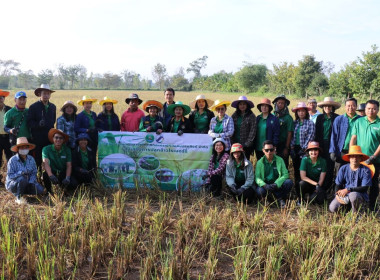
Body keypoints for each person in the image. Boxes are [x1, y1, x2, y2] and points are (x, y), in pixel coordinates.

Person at [350, 100, 380, 211]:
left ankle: (372, 206)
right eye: (368, 108)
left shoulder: (379, 123)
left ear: (377, 110)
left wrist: (373, 156)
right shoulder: (359, 122)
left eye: (373, 108)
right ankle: (356, 205)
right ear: (365, 109)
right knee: (357, 181)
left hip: (374, 160)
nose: (371, 111)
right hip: (359, 159)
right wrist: (351, 154)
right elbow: (353, 138)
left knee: (373, 183)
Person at [329, 145, 373, 213]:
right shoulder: (343, 168)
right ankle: (346, 210)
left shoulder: (365, 170)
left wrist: (348, 189)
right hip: (345, 195)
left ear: (361, 158)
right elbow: (338, 184)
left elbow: (364, 187)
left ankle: (357, 214)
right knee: (332, 207)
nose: (354, 158)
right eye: (352, 156)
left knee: (353, 195)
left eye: (357, 156)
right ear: (349, 158)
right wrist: (337, 195)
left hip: (359, 195)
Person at [5, 137, 44, 204]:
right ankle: (19, 197)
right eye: (22, 147)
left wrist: (31, 182)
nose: (24, 149)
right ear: (18, 149)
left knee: (40, 190)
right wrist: (21, 173)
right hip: (14, 184)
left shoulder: (31, 159)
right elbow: (10, 175)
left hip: (28, 182)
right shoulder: (12, 160)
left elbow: (34, 172)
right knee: (22, 179)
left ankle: (24, 191)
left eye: (26, 147)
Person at [255, 140, 293, 208]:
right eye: (267, 150)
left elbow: (285, 174)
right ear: (263, 150)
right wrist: (264, 185)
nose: (269, 152)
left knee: (289, 182)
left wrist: (276, 184)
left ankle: (276, 198)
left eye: (271, 150)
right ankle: (277, 199)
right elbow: (257, 178)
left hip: (277, 185)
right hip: (266, 185)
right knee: (259, 191)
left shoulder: (280, 160)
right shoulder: (259, 162)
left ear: (274, 149)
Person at [27, 84, 56, 169]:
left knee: (48, 158)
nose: (46, 95)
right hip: (37, 138)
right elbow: (29, 122)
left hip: (49, 137)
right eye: (44, 93)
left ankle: (47, 176)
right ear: (40, 94)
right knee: (38, 159)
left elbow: (53, 121)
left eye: (48, 93)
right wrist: (38, 124)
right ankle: (38, 176)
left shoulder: (52, 107)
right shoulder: (33, 107)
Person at [329, 98, 361, 173]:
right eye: (348, 106)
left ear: (356, 107)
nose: (350, 108)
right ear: (345, 107)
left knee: (354, 172)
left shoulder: (361, 120)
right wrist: (332, 151)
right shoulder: (339, 119)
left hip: (356, 152)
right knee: (340, 173)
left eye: (353, 105)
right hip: (341, 151)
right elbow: (334, 136)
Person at [315, 97, 340, 190]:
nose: (327, 108)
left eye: (329, 106)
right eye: (325, 106)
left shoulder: (337, 117)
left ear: (332, 107)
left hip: (332, 144)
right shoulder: (319, 117)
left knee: (330, 165)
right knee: (322, 164)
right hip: (321, 144)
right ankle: (320, 185)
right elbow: (317, 132)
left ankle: (328, 186)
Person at [42, 128, 78, 193]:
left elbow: (69, 166)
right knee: (45, 175)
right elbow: (46, 163)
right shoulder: (46, 149)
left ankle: (63, 188)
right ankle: (49, 192)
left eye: (61, 138)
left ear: (63, 140)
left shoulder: (67, 150)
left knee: (73, 184)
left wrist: (67, 177)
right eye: (56, 137)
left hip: (62, 172)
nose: (58, 140)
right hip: (52, 172)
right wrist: (51, 175)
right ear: (53, 139)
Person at [290, 102, 315, 186]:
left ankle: (304, 187)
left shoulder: (310, 123)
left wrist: (303, 149)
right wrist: (292, 148)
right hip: (295, 148)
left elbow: (310, 137)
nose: (301, 113)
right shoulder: (294, 123)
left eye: (303, 111)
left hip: (304, 149)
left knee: (304, 169)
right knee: (296, 168)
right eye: (299, 111)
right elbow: (292, 136)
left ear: (306, 112)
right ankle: (297, 187)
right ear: (296, 113)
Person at [272, 94, 294, 168]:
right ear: (276, 104)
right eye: (279, 103)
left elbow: (290, 133)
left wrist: (286, 148)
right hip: (273, 144)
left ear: (285, 105)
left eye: (282, 103)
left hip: (283, 144)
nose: (280, 104)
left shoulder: (288, 118)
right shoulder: (272, 115)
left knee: (283, 164)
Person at [0, 90, 12, 172]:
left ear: (4, 99)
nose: (0, 99)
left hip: (8, 137)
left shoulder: (9, 110)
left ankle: (9, 178)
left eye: (2, 97)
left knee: (10, 158)